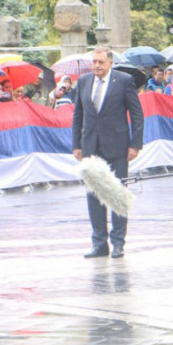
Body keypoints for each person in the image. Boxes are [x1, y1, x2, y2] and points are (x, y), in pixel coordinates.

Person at [72, 46, 144, 259]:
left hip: (117, 146)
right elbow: (78, 115)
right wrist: (77, 145)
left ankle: (118, 242)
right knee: (94, 195)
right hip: (91, 148)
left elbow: (137, 115)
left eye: (101, 62)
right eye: (94, 62)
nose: (96, 65)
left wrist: (135, 144)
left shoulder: (123, 81)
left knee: (116, 195)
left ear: (110, 63)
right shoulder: (84, 81)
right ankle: (99, 243)